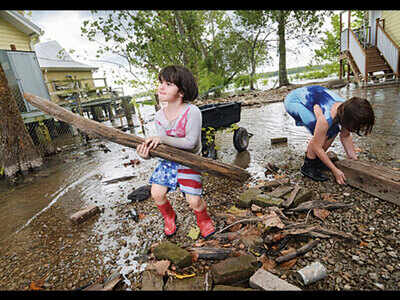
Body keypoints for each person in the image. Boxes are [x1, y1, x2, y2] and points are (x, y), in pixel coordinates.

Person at [136, 65, 215, 238]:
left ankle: (203, 219)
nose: (161, 87)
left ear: (181, 91)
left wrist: (161, 139)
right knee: (156, 193)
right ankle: (169, 216)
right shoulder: (159, 116)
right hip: (167, 162)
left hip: (189, 160)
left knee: (193, 200)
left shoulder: (191, 112)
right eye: (161, 82)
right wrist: (147, 154)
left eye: (169, 84)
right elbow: (161, 148)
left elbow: (191, 143)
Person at [284, 85, 375, 185]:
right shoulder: (325, 119)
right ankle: (308, 166)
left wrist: (354, 160)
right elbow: (317, 146)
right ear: (349, 120)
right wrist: (334, 170)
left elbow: (345, 136)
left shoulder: (348, 110)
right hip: (294, 101)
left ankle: (317, 161)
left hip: (315, 100)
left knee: (334, 130)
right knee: (321, 132)